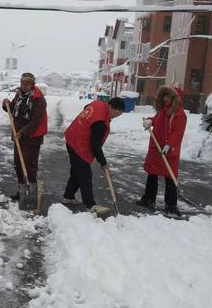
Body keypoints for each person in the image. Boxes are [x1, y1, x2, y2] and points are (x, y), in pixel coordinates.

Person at [62, 97, 125, 216]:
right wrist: (103, 162)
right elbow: (95, 145)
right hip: (79, 144)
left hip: (72, 136)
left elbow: (86, 108)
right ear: (110, 106)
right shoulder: (100, 121)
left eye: (117, 116)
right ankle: (90, 205)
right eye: (114, 115)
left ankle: (68, 196)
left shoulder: (98, 104)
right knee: (85, 174)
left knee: (77, 171)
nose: (113, 118)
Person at [137, 86, 187, 216]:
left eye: (168, 96)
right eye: (163, 96)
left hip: (169, 150)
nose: (165, 99)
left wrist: (169, 145)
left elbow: (178, 132)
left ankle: (171, 205)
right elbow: (156, 120)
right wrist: (149, 121)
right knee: (152, 173)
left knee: (170, 177)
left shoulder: (180, 114)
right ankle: (148, 199)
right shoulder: (162, 110)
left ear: (175, 98)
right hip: (156, 147)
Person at [2, 73, 47, 200]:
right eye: (23, 82)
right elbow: (12, 109)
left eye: (27, 83)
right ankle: (22, 192)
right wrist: (6, 104)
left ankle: (31, 195)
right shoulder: (19, 95)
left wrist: (22, 132)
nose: (24, 85)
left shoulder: (39, 99)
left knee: (30, 166)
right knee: (18, 165)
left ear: (33, 84)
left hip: (32, 137)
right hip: (19, 137)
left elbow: (36, 121)